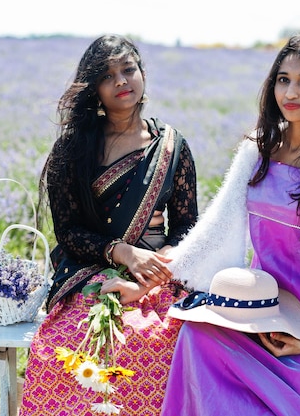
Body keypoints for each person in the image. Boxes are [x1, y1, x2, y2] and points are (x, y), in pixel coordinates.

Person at [160, 35, 300, 416]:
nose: (290, 91)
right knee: (195, 337)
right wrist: (163, 268)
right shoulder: (256, 150)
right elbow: (218, 225)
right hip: (258, 309)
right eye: (283, 79)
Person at [20, 34, 198, 415]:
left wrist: (151, 273)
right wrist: (120, 252)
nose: (121, 81)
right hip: (88, 271)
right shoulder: (73, 149)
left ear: (142, 74)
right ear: (94, 89)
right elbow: (67, 232)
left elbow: (186, 229)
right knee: (67, 352)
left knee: (159, 342)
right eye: (108, 75)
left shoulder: (170, 146)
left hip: (155, 274)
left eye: (128, 69)